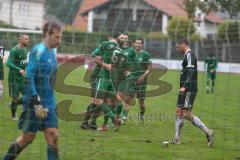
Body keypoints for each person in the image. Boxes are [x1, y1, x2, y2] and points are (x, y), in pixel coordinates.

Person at [3, 21, 62, 160]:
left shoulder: (52, 53)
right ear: (47, 35)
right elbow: (29, 77)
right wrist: (36, 101)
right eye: (57, 37)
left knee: (53, 135)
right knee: (27, 138)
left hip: (49, 103)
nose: (59, 41)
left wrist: (50, 100)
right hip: (34, 103)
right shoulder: (38, 51)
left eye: (60, 37)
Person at [166, 39, 214, 147]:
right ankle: (176, 139)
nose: (177, 49)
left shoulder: (190, 55)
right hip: (185, 88)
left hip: (189, 88)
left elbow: (191, 71)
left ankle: (208, 132)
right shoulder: (187, 55)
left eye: (178, 47)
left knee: (185, 113)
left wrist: (184, 86)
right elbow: (188, 71)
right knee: (179, 111)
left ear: (183, 44)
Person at [6, 33, 29, 120]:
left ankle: (12, 104)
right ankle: (14, 115)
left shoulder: (26, 50)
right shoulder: (14, 50)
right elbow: (8, 63)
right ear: (20, 40)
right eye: (26, 39)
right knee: (15, 97)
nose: (28, 40)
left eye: (28, 39)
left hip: (22, 78)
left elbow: (24, 63)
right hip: (13, 78)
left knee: (27, 95)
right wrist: (18, 69)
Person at [132, 38, 152, 123]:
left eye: (139, 43)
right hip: (131, 80)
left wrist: (143, 76)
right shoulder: (130, 54)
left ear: (142, 45)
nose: (137, 44)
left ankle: (141, 116)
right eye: (136, 43)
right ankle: (123, 117)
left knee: (141, 102)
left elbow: (149, 68)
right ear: (134, 44)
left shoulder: (146, 55)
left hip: (141, 82)